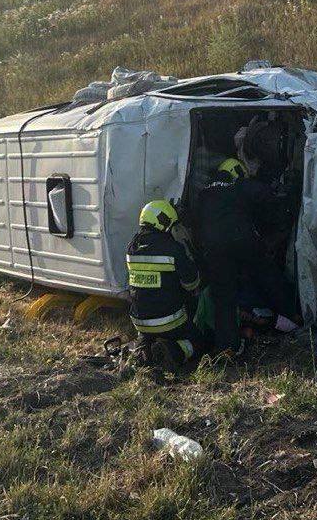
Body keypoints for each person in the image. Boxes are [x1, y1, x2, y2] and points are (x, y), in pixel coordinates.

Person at [191, 118, 296, 354]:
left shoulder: (206, 192)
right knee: (267, 274)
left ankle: (226, 347)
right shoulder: (238, 184)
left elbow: (196, 218)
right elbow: (267, 198)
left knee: (223, 296)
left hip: (214, 248)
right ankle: (292, 315)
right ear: (236, 171)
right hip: (242, 239)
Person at [126, 199, 202, 371]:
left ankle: (143, 350)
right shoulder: (172, 248)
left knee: (148, 337)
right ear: (163, 221)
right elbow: (191, 284)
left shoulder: (132, 247)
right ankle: (172, 352)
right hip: (169, 321)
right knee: (198, 341)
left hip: (139, 320)